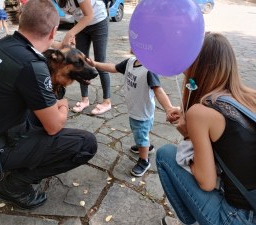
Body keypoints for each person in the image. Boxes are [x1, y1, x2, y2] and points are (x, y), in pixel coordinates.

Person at [0, 0, 97, 210]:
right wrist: (63, 105)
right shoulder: (32, 65)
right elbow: (54, 126)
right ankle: (15, 185)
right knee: (86, 143)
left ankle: (19, 160)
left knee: (40, 111)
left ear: (22, 21)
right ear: (53, 32)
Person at [156, 32, 256, 225]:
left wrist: (188, 136)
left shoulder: (200, 113)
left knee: (165, 154)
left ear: (197, 66)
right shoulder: (249, 97)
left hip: (239, 218)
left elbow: (207, 182)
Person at [87, 54, 178, 177]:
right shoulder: (131, 62)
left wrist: (169, 108)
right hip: (135, 110)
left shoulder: (149, 69)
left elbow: (158, 90)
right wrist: (96, 64)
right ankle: (145, 146)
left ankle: (144, 161)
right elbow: (114, 67)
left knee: (141, 135)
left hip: (142, 113)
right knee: (140, 133)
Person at [52, 0, 111, 115]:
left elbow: (89, 15)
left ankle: (106, 101)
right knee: (79, 64)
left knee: (99, 63)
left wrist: (70, 34)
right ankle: (85, 99)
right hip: (80, 23)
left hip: (98, 21)